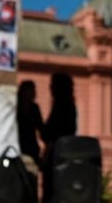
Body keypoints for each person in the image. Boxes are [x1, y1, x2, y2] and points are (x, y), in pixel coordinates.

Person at [40, 73, 77, 203]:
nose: (50, 88)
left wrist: (37, 121)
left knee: (51, 193)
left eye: (52, 85)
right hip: (66, 156)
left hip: (55, 158)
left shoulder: (60, 106)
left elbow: (48, 133)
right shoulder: (70, 106)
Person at [17, 80, 44, 167]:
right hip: (18, 145)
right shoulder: (16, 108)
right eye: (30, 91)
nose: (33, 93)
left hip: (31, 148)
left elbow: (40, 127)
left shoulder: (34, 108)